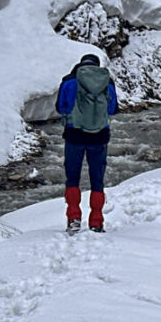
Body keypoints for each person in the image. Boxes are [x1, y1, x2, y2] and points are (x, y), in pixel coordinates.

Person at [55, 54, 118, 234]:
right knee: (97, 180)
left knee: (73, 178)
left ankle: (73, 218)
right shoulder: (107, 82)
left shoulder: (69, 82)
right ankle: (96, 221)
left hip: (74, 134)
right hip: (99, 136)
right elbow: (112, 109)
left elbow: (61, 108)